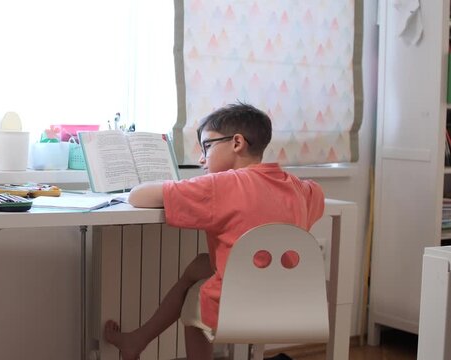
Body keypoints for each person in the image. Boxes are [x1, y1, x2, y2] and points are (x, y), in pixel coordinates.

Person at [103, 101, 325, 360]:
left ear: (237, 143)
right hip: (286, 299)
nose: (201, 158)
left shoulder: (220, 186)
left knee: (194, 299)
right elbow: (318, 194)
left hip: (239, 304)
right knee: (200, 264)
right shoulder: (299, 188)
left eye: (207, 146)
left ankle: (141, 342)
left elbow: (137, 196)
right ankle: (137, 339)